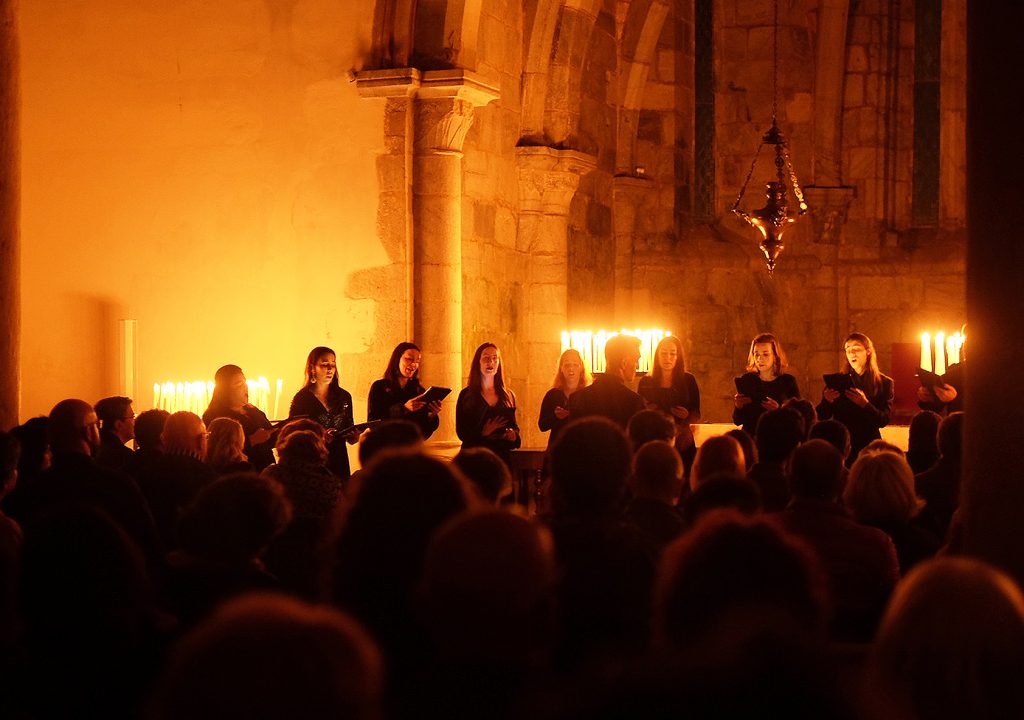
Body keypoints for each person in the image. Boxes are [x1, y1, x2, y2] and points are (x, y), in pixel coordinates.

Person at [816, 332, 894, 466]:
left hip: (868, 445)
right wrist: (826, 401)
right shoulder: (838, 381)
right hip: (842, 443)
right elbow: (821, 416)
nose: (852, 353)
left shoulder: (884, 383)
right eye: (848, 350)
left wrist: (865, 404)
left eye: (856, 349)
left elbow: (884, 419)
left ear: (868, 352)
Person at [288, 346, 361, 480]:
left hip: (339, 458)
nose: (330, 369)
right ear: (312, 368)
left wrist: (353, 437)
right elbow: (292, 433)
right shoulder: (302, 398)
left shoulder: (343, 396)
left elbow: (349, 425)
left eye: (333, 364)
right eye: (324, 364)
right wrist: (319, 437)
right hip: (313, 461)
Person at [637, 335, 701, 468]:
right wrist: (650, 411)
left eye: (673, 354)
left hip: (683, 439)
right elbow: (639, 413)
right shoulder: (646, 381)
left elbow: (696, 411)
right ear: (657, 355)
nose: (668, 358)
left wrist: (687, 416)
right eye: (664, 353)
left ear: (678, 357)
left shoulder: (688, 380)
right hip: (654, 439)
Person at [455, 343, 521, 466]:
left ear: (499, 364)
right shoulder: (466, 395)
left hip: (500, 458)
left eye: (494, 358)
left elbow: (514, 426)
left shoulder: (508, 395)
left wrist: (513, 435)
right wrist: (483, 432)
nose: (490, 361)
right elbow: (461, 432)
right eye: (485, 357)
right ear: (478, 362)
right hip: (474, 459)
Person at [202, 365, 275, 471]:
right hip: (240, 472)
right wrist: (252, 440)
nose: (244, 387)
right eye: (238, 384)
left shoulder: (253, 411)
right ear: (225, 390)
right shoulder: (215, 416)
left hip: (266, 468)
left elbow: (270, 435)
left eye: (244, 382)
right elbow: (218, 450)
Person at [569, 334, 645, 430]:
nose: (637, 366)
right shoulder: (634, 402)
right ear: (624, 363)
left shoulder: (577, 399)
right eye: (636, 360)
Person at [367, 342, 441, 440]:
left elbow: (423, 432)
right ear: (397, 359)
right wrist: (403, 409)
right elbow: (373, 423)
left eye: (418, 361)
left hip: (411, 447)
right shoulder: (379, 387)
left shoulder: (419, 391)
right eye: (409, 359)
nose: (414, 364)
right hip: (386, 447)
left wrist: (431, 416)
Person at [732, 333, 801, 436]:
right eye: (756, 354)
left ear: (775, 356)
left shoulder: (787, 381)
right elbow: (738, 421)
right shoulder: (748, 380)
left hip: (777, 439)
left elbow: (798, 419)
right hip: (752, 438)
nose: (760, 359)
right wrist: (738, 407)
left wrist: (778, 411)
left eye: (765, 354)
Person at [538, 348, 592, 448]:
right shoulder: (553, 395)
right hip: (558, 448)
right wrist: (555, 416)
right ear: (561, 369)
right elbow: (542, 425)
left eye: (575, 365)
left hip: (581, 448)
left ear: (581, 368)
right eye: (567, 365)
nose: (571, 368)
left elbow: (594, 424)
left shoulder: (588, 395)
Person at [93, 395, 136, 471]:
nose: (135, 422)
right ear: (118, 424)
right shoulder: (124, 457)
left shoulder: (92, 447)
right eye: (132, 417)